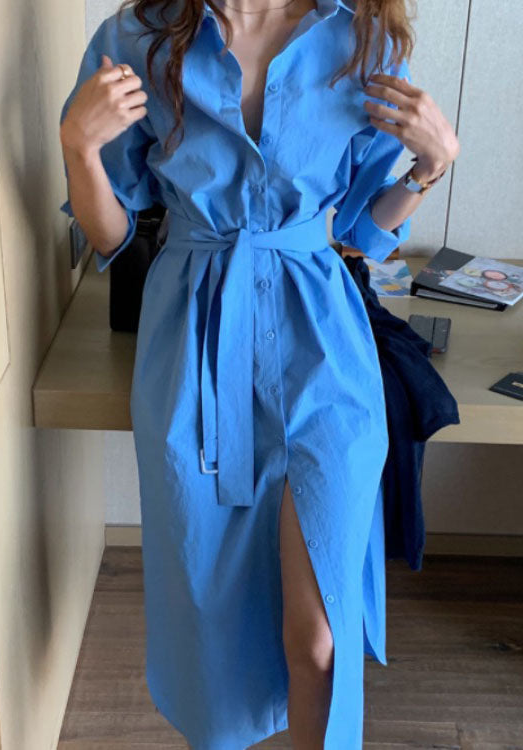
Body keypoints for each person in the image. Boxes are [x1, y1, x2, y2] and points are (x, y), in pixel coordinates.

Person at [59, 0, 459, 747]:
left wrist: (429, 167)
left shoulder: (360, 38)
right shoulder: (138, 36)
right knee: (207, 606)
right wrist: (79, 149)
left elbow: (361, 232)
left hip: (323, 345)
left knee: (320, 636)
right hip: (194, 342)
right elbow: (111, 238)